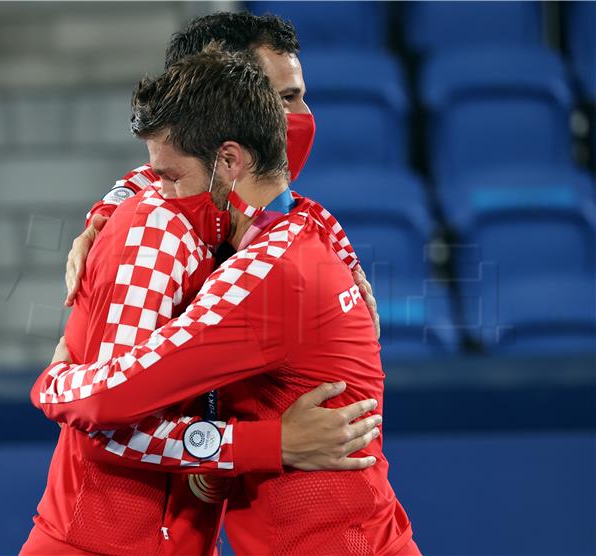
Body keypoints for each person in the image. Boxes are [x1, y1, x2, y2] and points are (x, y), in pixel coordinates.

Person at [33, 46, 419, 556]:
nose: (162, 200)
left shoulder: (262, 276)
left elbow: (108, 404)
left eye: (170, 179)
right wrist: (109, 206)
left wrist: (52, 384)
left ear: (230, 161)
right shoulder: (298, 233)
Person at [64, 12, 379, 341]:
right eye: (284, 100)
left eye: (299, 97)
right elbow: (120, 383)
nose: (305, 118)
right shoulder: (154, 236)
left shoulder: (297, 221)